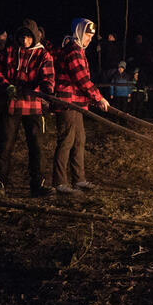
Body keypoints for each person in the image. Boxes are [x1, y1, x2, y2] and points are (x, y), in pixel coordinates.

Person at [0, 19, 55, 197]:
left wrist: (37, 90)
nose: (25, 41)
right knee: (4, 145)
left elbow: (48, 81)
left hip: (34, 107)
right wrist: (6, 85)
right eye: (22, 37)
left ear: (34, 37)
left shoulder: (44, 56)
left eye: (28, 37)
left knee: (37, 147)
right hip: (11, 106)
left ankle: (37, 185)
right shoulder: (10, 51)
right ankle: (0, 185)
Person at [52, 18, 110, 195]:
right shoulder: (73, 51)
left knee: (79, 140)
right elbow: (81, 79)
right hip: (67, 102)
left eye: (91, 36)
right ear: (79, 32)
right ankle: (60, 182)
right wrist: (98, 97)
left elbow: (82, 82)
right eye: (87, 35)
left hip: (77, 103)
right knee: (67, 141)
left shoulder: (79, 51)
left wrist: (93, 100)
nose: (89, 39)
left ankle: (79, 179)